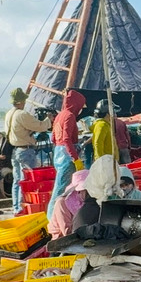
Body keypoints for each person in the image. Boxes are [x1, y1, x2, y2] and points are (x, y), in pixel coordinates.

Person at [5, 88, 51, 211]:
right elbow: (40, 126)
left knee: (17, 181)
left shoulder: (9, 114)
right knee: (27, 181)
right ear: (21, 101)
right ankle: (23, 207)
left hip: (15, 151)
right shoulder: (22, 114)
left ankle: (16, 208)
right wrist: (48, 119)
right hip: (25, 151)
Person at [49, 89, 86, 217]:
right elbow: (66, 139)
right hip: (67, 155)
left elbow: (53, 138)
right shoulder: (70, 116)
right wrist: (75, 158)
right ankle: (52, 219)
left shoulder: (59, 115)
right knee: (61, 191)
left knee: (60, 186)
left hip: (58, 154)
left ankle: (61, 216)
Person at [90, 99, 120, 164]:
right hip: (106, 162)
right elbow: (97, 143)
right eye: (113, 112)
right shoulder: (102, 125)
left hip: (111, 161)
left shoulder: (107, 124)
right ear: (107, 114)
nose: (115, 114)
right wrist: (101, 161)